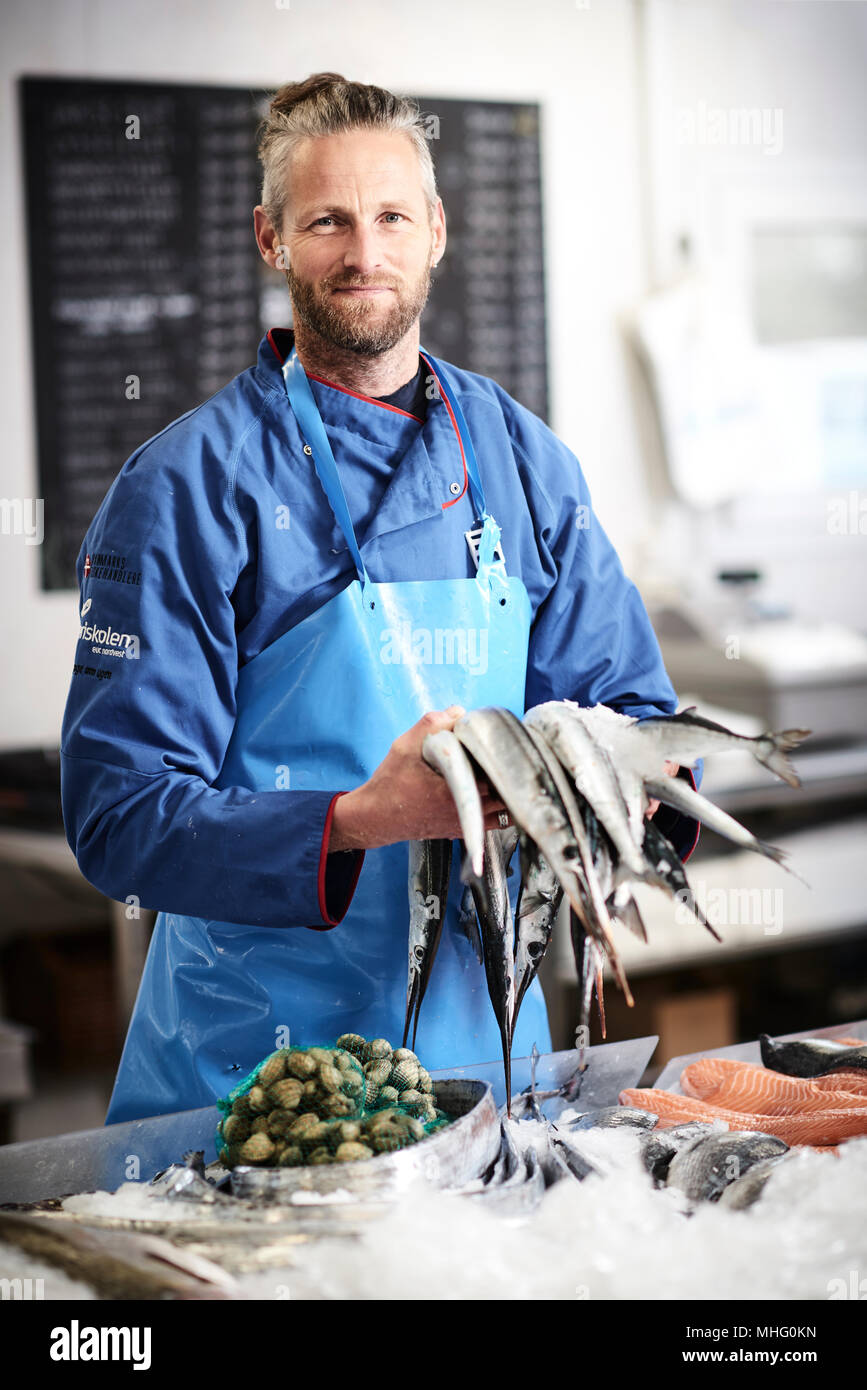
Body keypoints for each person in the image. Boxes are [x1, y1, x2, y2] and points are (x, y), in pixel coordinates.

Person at [60, 73, 698, 1125]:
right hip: (252, 1088)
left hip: (491, 1075)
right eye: (328, 222)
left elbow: (631, 714)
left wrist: (634, 794)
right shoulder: (182, 487)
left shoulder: (523, 458)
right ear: (270, 239)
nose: (366, 253)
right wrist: (361, 821)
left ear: (437, 230)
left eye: (393, 216)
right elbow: (119, 816)